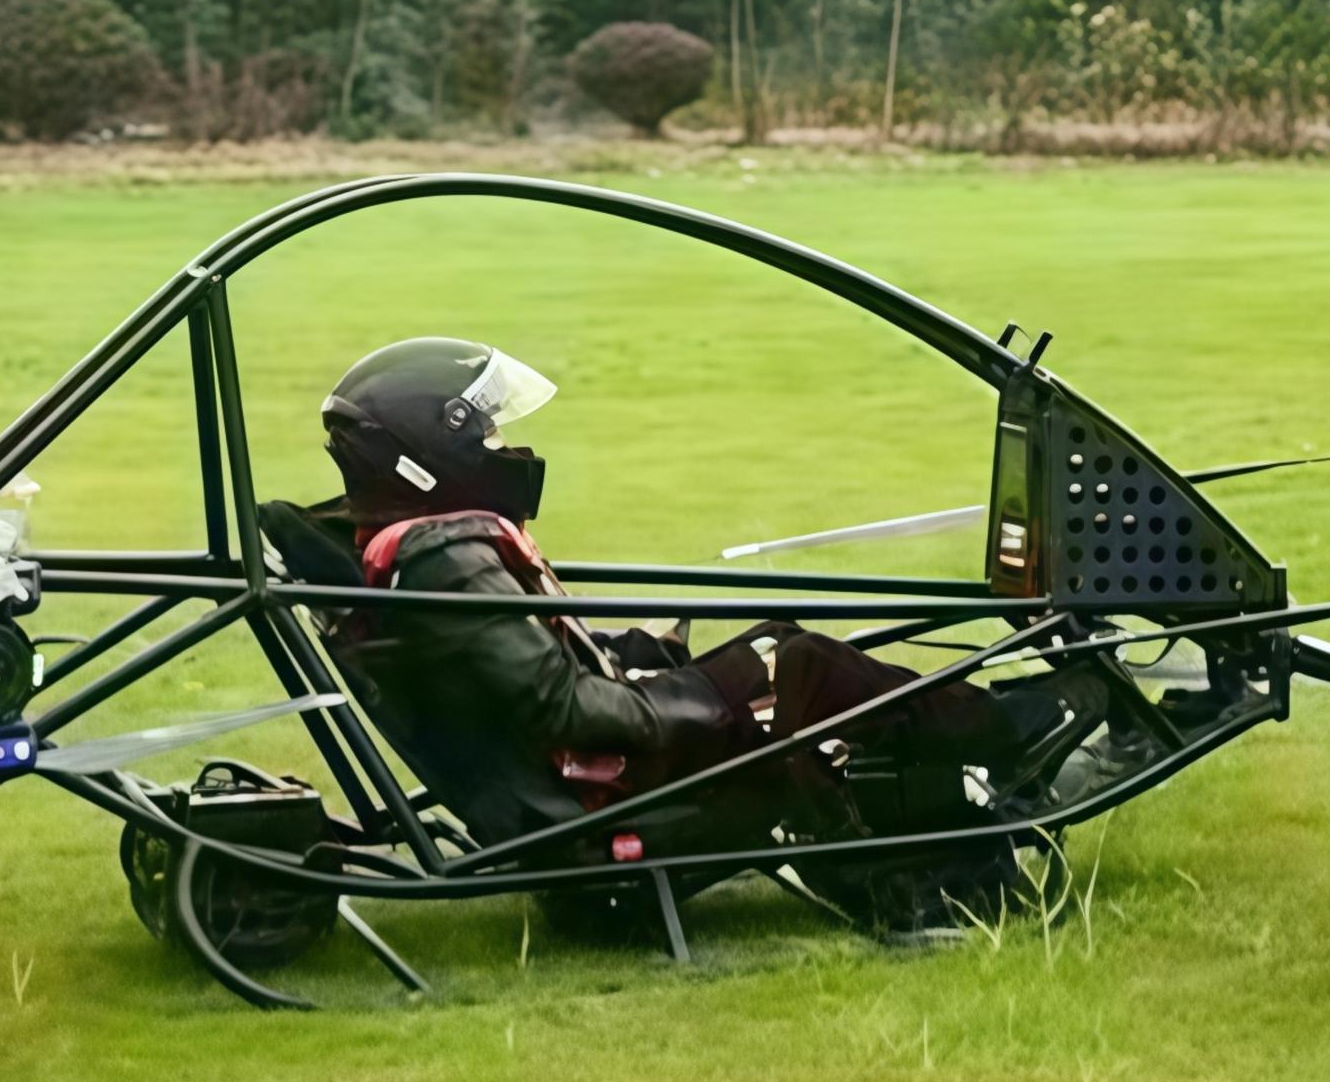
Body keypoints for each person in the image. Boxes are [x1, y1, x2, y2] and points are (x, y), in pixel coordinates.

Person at [269, 338, 1073, 930]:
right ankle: (1006, 735)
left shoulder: (410, 551)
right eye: (480, 433)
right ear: (427, 453)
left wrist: (639, 653)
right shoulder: (447, 560)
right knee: (788, 661)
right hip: (595, 821)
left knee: (775, 651)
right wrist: (696, 696)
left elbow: (530, 676)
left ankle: (980, 732)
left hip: (569, 790)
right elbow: (562, 707)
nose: (501, 448)